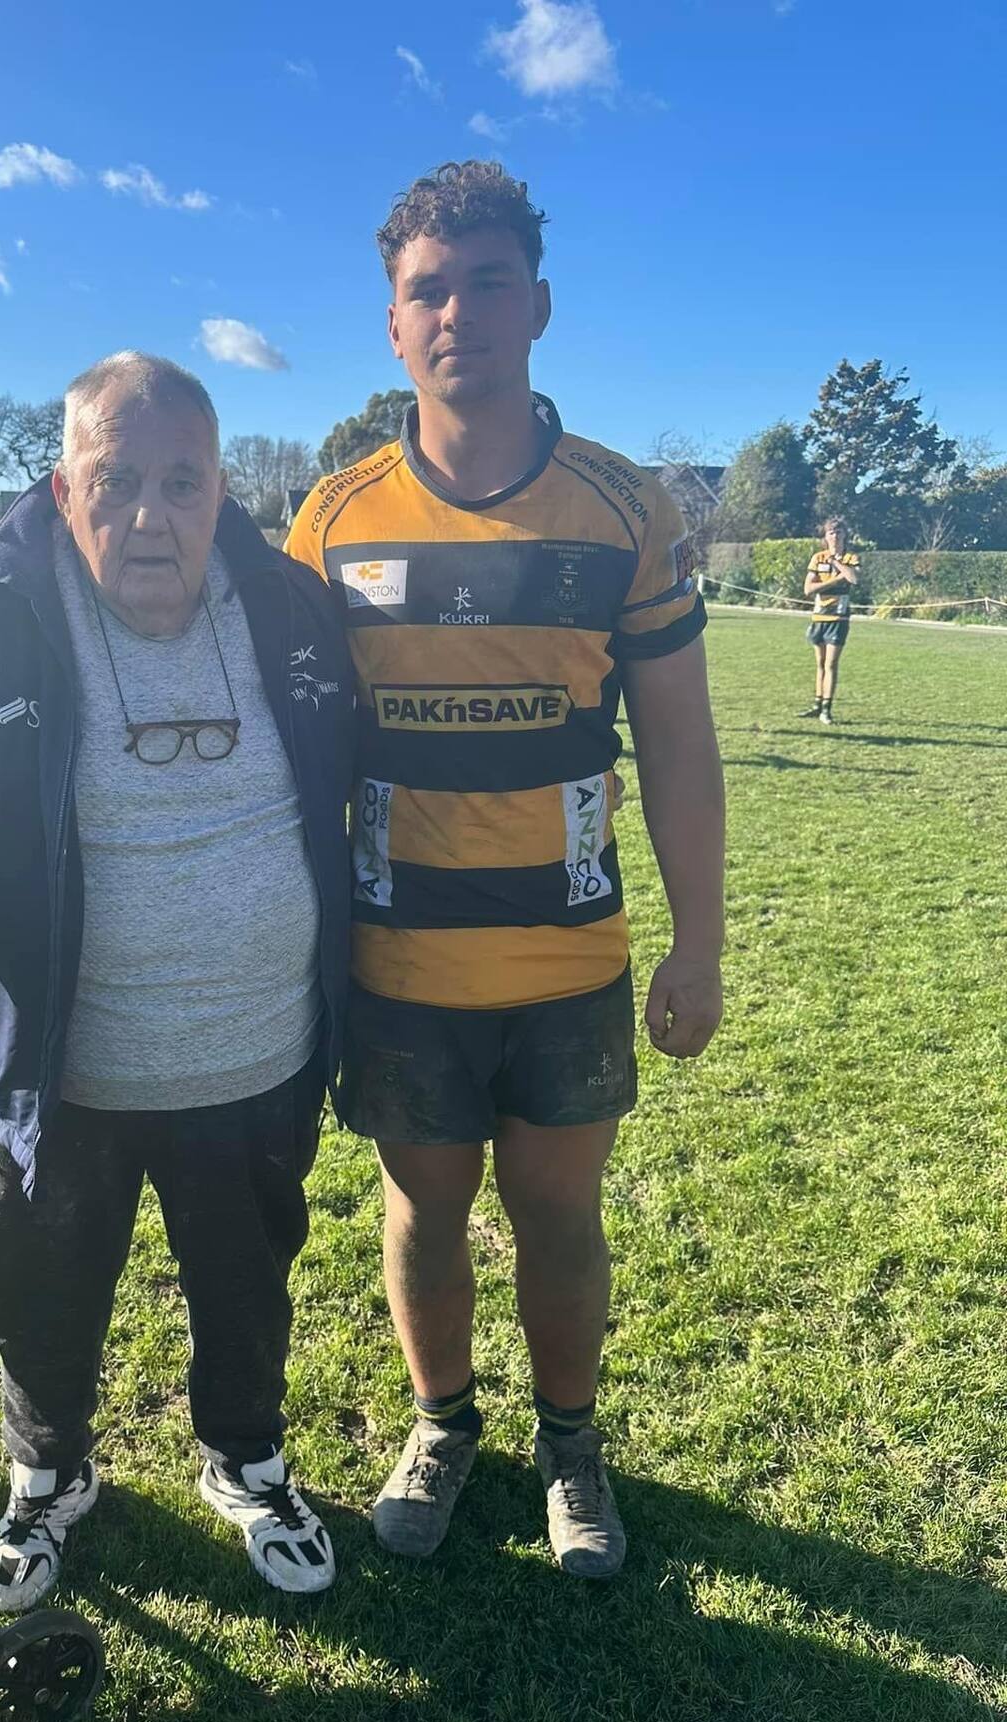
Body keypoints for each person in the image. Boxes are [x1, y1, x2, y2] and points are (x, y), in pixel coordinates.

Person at [0, 351, 354, 1607]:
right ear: (64, 487)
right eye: (117, 480)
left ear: (222, 492)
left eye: (180, 481)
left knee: (248, 1279)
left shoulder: (289, 607)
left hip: (258, 1056)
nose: (151, 514)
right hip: (61, 1075)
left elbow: (369, 784)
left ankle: (247, 1461)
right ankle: (48, 1480)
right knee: (41, 1284)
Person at [286, 160, 726, 1580]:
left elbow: (679, 746)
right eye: (428, 289)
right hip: (397, 960)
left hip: (570, 960)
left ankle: (572, 1443)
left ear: (536, 305)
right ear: (393, 324)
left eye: (486, 281)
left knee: (557, 1211)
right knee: (423, 1208)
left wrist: (700, 944)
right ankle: (441, 1423)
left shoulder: (625, 510)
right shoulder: (332, 521)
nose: (457, 309)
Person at [799, 518, 860, 725]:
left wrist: (836, 563)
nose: (835, 536)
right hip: (819, 617)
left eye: (839, 532)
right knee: (820, 664)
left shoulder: (850, 558)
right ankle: (817, 705)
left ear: (845, 535)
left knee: (831, 664)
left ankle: (827, 708)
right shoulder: (817, 558)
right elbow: (808, 589)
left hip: (839, 618)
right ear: (825, 536)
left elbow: (853, 579)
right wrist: (835, 580)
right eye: (831, 532)